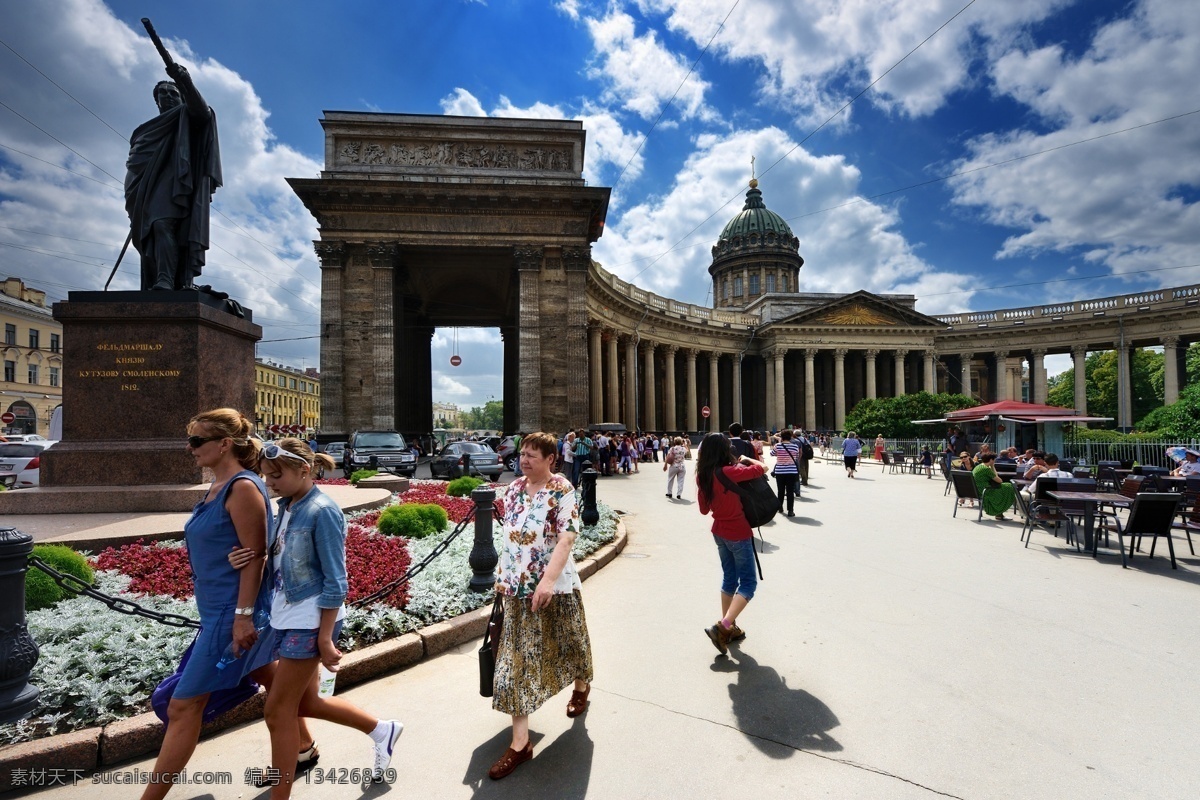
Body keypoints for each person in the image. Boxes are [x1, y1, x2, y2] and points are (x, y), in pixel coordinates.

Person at [231, 439, 402, 797]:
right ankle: (381, 730)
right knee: (305, 703)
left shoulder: (322, 510)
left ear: (304, 470)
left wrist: (325, 638)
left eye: (277, 475)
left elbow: (336, 581)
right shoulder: (287, 506)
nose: (270, 482)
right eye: (266, 476)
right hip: (285, 616)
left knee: (277, 711)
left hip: (309, 622)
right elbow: (278, 561)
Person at [141, 409, 276, 800]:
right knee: (274, 681)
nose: (191, 447)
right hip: (217, 611)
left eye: (198, 441)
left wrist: (242, 617)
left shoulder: (243, 488)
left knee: (184, 707)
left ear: (224, 444)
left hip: (229, 615)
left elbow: (256, 556)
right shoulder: (218, 486)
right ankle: (307, 745)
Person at [488, 432, 593, 780]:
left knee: (570, 642)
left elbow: (567, 537)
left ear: (551, 459)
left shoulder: (562, 489)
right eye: (523, 454)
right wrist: (502, 579)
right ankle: (521, 743)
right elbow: (512, 536)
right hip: (517, 591)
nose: (525, 459)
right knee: (515, 662)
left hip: (555, 588)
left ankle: (581, 687)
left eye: (533, 455)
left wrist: (547, 581)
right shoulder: (514, 488)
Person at [126, 62, 221, 292]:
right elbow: (136, 159)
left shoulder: (186, 116)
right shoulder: (144, 129)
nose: (168, 96)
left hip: (176, 180)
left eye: (173, 93)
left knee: (161, 224)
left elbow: (203, 111)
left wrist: (185, 81)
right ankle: (160, 279)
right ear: (156, 100)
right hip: (140, 188)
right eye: (163, 93)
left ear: (181, 97)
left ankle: (166, 279)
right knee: (148, 236)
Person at [695, 432, 766, 655]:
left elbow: (704, 509)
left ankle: (729, 627)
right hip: (738, 532)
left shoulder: (703, 476)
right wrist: (748, 459)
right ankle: (723, 626)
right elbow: (762, 468)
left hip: (719, 532)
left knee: (729, 578)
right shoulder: (730, 472)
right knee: (748, 584)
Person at [972, 452, 1017, 521]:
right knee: (1009, 487)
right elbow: (999, 480)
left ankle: (999, 513)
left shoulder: (979, 466)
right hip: (985, 491)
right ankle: (999, 513)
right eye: (994, 460)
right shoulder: (986, 469)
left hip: (978, 490)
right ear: (991, 460)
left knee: (1006, 487)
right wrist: (993, 466)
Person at [771, 429, 801, 517]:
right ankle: (790, 511)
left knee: (780, 491)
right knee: (790, 491)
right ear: (791, 437)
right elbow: (796, 456)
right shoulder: (795, 447)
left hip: (780, 471)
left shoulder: (777, 446)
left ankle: (780, 507)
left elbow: (772, 454)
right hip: (791, 471)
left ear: (781, 437)